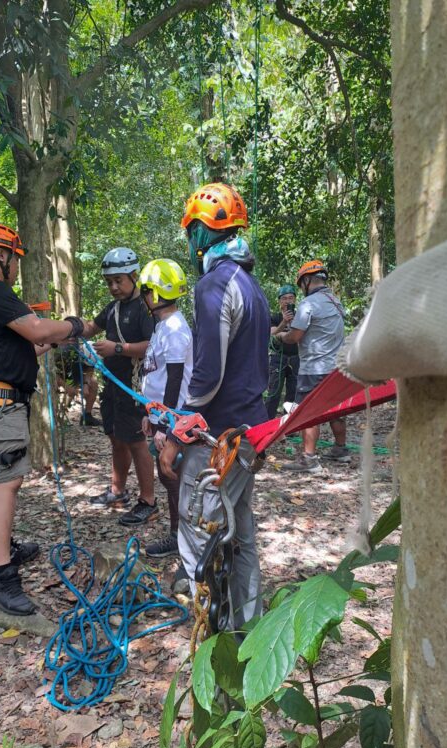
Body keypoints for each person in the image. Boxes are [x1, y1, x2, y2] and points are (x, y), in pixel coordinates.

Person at [0, 222, 84, 616]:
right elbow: (37, 328)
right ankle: (1, 574)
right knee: (6, 481)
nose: (17, 270)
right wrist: (76, 326)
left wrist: (53, 341)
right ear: (3, 255)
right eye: (16, 260)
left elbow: (18, 346)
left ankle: (2, 548)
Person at [159, 183, 270, 629]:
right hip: (250, 432)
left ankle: (211, 636)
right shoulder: (252, 285)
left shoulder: (213, 285)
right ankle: (247, 626)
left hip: (217, 438)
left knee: (200, 532)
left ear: (202, 233)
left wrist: (174, 433)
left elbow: (206, 378)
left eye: (191, 233)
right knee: (240, 534)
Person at [80, 247, 158, 526]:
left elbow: (152, 346)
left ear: (134, 276)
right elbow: (90, 327)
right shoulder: (113, 308)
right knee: (116, 437)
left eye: (119, 281)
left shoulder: (144, 308)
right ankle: (118, 491)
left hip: (134, 385)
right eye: (109, 282)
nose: (113, 287)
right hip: (112, 385)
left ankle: (148, 501)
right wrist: (68, 328)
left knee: (137, 441)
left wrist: (118, 348)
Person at [137, 258, 193, 559]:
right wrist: (150, 414)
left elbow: (174, 380)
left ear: (154, 294)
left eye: (146, 292)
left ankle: (180, 538)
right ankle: (180, 534)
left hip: (174, 421)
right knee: (169, 476)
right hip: (162, 417)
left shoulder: (174, 329)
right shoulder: (164, 326)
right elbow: (154, 375)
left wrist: (166, 427)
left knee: (173, 477)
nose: (144, 297)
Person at [275, 260, 349, 473]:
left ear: (306, 281)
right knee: (336, 409)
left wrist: (281, 337)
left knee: (306, 412)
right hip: (336, 368)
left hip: (314, 368)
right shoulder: (335, 301)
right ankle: (340, 449)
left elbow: (296, 336)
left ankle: (309, 459)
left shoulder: (308, 304)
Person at [265, 284, 300, 419]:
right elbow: (272, 332)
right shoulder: (275, 317)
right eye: (284, 298)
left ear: (295, 300)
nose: (288, 301)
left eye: (291, 298)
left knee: (293, 392)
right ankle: (267, 423)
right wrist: (284, 323)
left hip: (296, 358)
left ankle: (288, 425)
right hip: (277, 358)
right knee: (274, 392)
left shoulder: (301, 316)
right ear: (280, 301)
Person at [55, 346, 100, 426]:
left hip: (76, 375)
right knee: (57, 385)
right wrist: (66, 386)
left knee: (93, 383)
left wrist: (86, 384)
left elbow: (90, 370)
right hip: (62, 376)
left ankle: (87, 416)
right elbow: (53, 374)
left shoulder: (92, 354)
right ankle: (58, 417)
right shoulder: (64, 354)